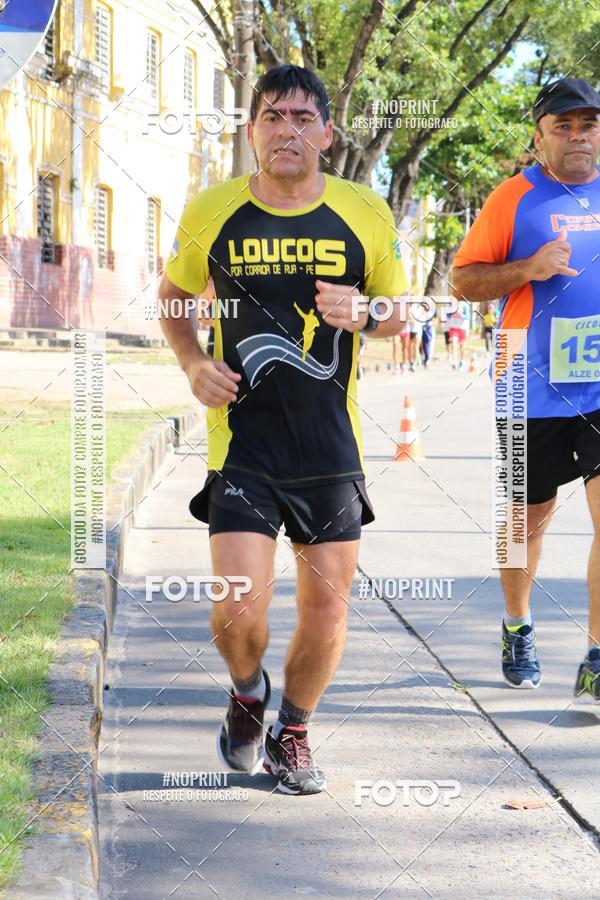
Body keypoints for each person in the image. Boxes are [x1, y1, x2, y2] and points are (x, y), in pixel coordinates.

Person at [158, 64, 407, 794]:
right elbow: (173, 297)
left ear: (327, 133)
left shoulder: (366, 211)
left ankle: (292, 730)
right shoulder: (212, 210)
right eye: (273, 117)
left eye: (303, 118)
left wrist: (368, 314)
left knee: (328, 610)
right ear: (252, 131)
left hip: (330, 448)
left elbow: (401, 312)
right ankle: (246, 695)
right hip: (244, 444)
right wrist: (192, 361)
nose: (287, 130)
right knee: (238, 606)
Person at [452, 77, 600, 698]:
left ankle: (596, 656)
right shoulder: (512, 199)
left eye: (588, 124)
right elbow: (463, 280)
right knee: (525, 519)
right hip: (525, 379)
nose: (577, 136)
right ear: (538, 135)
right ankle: (518, 625)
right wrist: (528, 270)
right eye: (562, 126)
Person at [448, 298, 470, 369]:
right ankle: (454, 362)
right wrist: (451, 315)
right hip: (453, 328)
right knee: (454, 344)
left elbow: (468, 317)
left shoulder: (464, 305)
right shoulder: (450, 305)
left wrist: (460, 315)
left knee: (462, 347)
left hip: (462, 328)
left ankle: (462, 361)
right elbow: (447, 315)